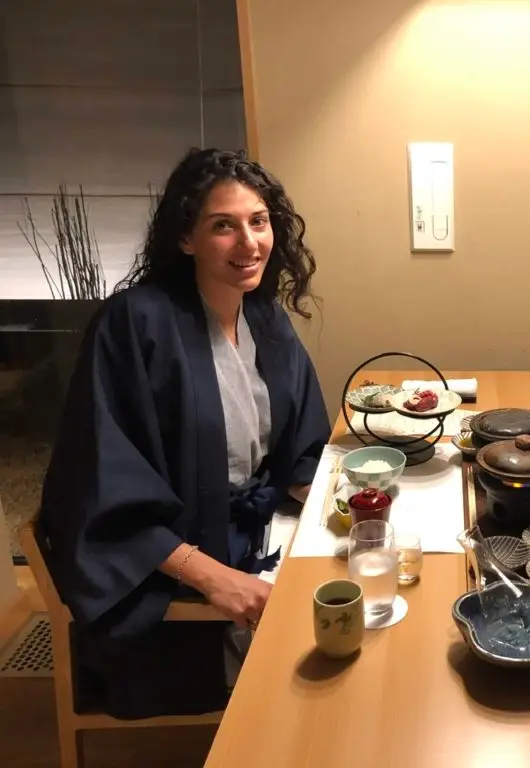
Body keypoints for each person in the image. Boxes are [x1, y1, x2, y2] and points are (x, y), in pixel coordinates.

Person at [38, 148, 331, 718]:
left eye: (258, 221)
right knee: (322, 665)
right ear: (186, 238)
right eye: (224, 226)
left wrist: (327, 496)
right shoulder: (133, 326)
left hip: (258, 531)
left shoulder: (266, 318)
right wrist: (216, 579)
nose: (249, 244)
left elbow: (301, 448)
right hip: (176, 569)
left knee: (371, 582)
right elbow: (96, 490)